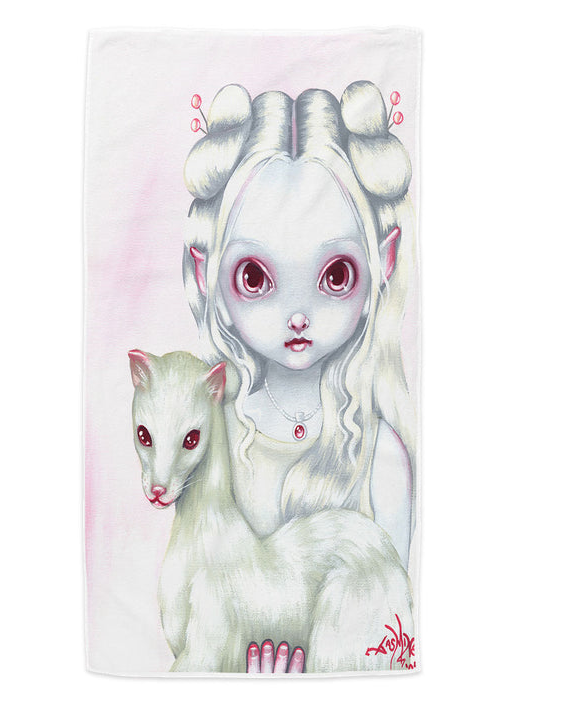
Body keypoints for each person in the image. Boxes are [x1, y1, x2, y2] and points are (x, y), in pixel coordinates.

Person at [182, 81, 417, 672]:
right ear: (205, 272)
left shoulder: (380, 459)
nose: (296, 315)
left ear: (383, 261)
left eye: (336, 275)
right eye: (255, 278)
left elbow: (392, 641)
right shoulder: (208, 440)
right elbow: (191, 615)